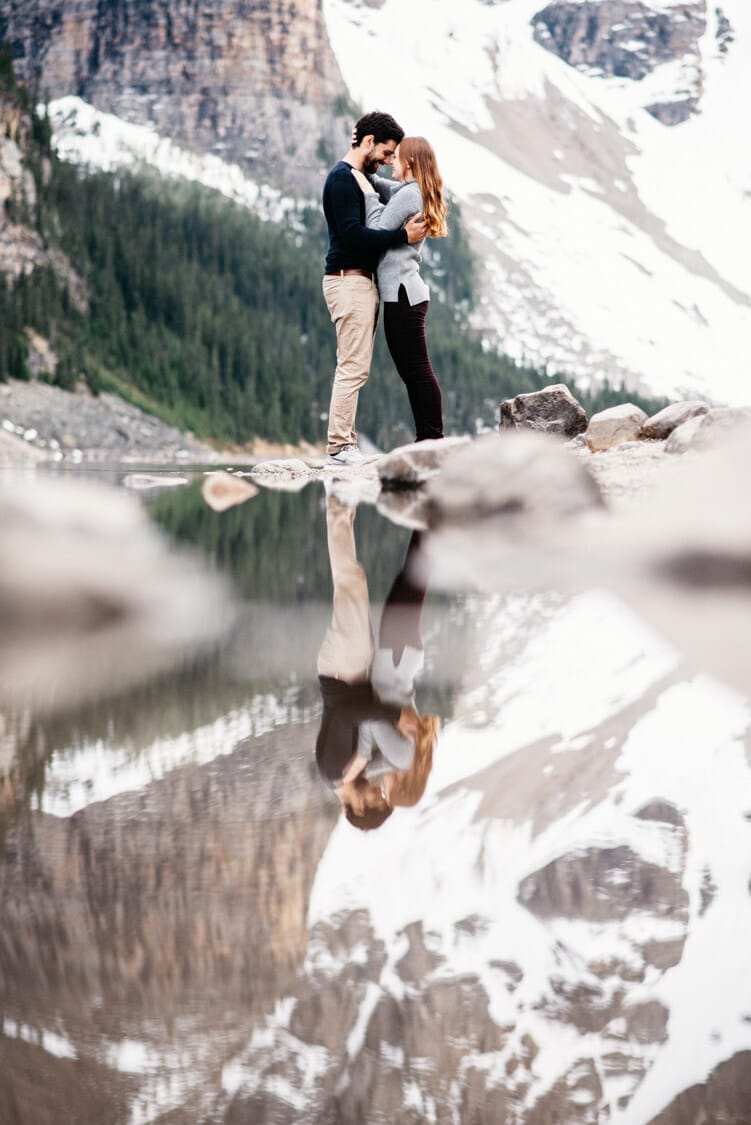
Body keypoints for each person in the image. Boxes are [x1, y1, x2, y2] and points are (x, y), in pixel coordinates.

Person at [315, 499, 439, 830]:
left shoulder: (333, 771)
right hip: (358, 668)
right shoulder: (355, 771)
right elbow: (390, 742)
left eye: (369, 799)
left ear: (351, 808)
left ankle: (338, 502)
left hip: (342, 669)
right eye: (378, 796)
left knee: (351, 581)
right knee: (355, 581)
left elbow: (347, 713)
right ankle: (344, 504)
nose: (373, 791)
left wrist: (395, 717)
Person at [322, 112, 428, 466]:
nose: (387, 161)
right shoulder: (342, 180)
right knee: (352, 366)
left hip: (359, 281)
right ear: (368, 142)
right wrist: (403, 236)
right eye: (385, 153)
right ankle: (339, 447)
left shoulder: (358, 178)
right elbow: (354, 235)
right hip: (347, 279)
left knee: (356, 366)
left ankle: (345, 443)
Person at [352, 136, 448, 443]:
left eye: (397, 157)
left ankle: (431, 437)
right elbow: (387, 189)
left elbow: (378, 229)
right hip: (405, 293)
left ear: (409, 162)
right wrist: (365, 172)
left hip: (403, 294)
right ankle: (428, 437)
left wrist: (368, 197)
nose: (391, 161)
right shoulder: (411, 191)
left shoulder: (411, 195)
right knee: (413, 371)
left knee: (417, 370)